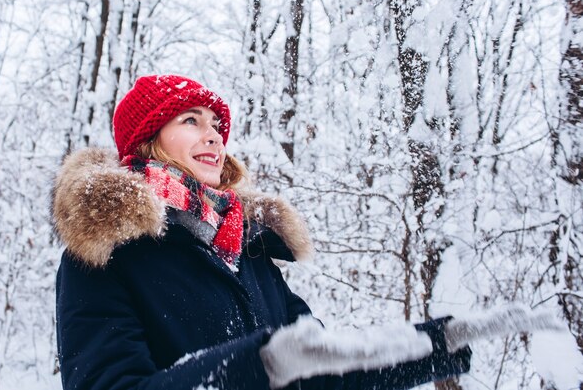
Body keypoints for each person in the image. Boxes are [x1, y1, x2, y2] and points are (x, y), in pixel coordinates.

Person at [52, 74, 475, 390]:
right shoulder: (105, 251)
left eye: (216, 123)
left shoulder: (245, 249)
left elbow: (323, 368)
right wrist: (259, 364)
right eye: (191, 120)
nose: (214, 134)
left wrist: (429, 347)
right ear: (147, 139)